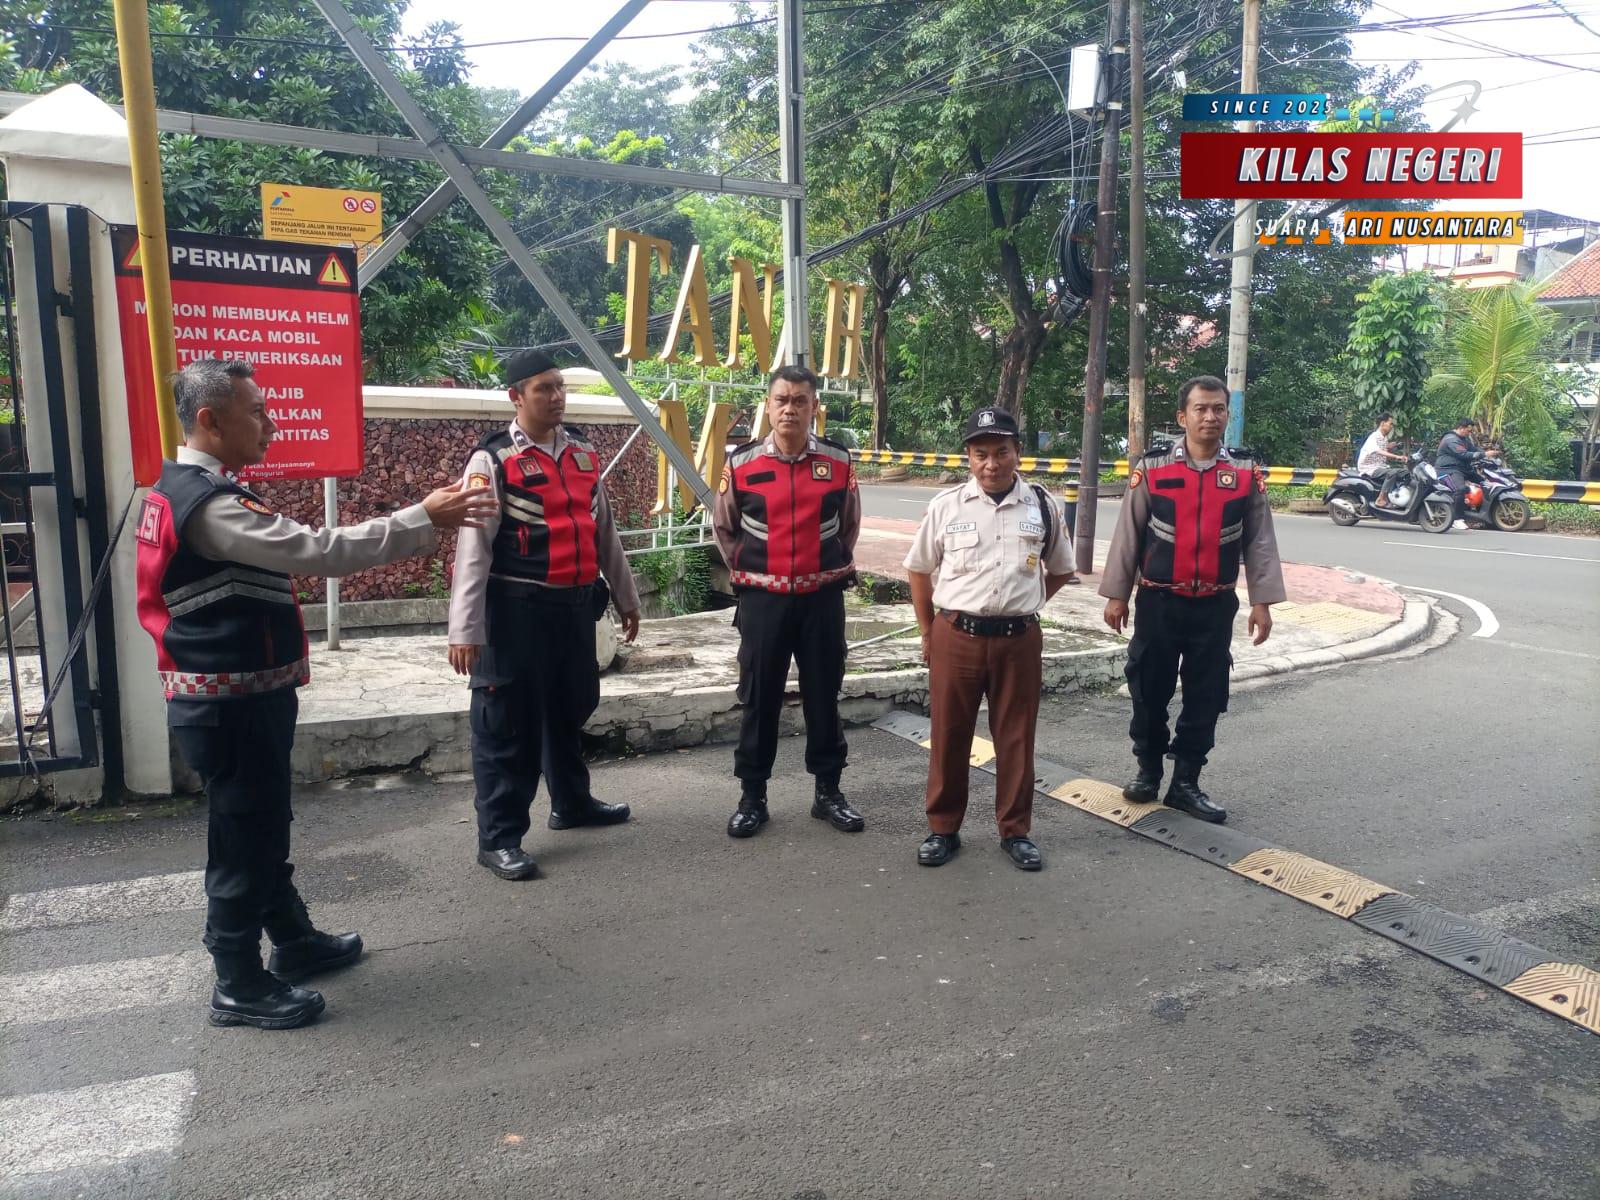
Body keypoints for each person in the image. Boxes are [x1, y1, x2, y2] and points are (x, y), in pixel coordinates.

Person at [136, 358, 496, 1030]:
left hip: (239, 698)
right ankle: (237, 980)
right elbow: (321, 550)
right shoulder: (208, 507)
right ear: (210, 420)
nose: (270, 425)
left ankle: (293, 940)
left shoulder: (192, 490)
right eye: (256, 412)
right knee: (242, 837)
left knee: (262, 824)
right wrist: (424, 516)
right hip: (227, 706)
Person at [447, 350, 642, 881]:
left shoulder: (582, 452)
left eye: (560, 387)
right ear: (516, 397)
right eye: (543, 389)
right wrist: (465, 629)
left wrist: (627, 598)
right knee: (507, 725)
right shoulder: (491, 460)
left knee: (569, 706)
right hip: (516, 613)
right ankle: (499, 838)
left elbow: (604, 532)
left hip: (574, 609)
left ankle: (571, 803)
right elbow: (473, 549)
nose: (556, 397)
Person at [1099, 375, 1286, 825]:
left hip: (1215, 606)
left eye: (1218, 408)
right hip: (1159, 602)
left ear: (1227, 415)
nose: (1210, 417)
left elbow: (1259, 540)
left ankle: (1185, 782)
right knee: (1148, 690)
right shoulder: (1154, 467)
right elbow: (1128, 533)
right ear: (1182, 417)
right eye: (1201, 408)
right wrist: (1117, 595)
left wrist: (1262, 602)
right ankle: (1148, 771)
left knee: (1206, 694)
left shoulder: (1244, 472)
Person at [903, 407, 1076, 871]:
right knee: (948, 733)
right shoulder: (947, 506)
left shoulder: (1041, 505)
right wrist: (928, 631)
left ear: (1017, 452)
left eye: (1001, 452)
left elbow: (1062, 568)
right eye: (981, 454)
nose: (991, 464)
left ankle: (1015, 831)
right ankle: (943, 828)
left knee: (1016, 737)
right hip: (956, 635)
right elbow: (918, 569)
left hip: (1019, 640)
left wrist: (1029, 600)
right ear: (969, 457)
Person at [712, 365, 864, 839]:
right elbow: (724, 528)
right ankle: (752, 797)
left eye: (800, 400)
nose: (790, 409)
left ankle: (828, 793)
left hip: (822, 599)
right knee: (759, 697)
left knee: (823, 693)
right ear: (768, 405)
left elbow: (849, 525)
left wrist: (823, 567)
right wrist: (756, 573)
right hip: (763, 601)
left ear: (814, 406)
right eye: (781, 400)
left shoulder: (838, 461)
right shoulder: (741, 463)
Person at [1435, 417, 1486, 530]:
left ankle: (1480, 517)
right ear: (1461, 428)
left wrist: (1486, 454)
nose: (1469, 433)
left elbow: (1474, 450)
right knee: (1460, 489)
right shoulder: (1451, 439)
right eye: (1468, 430)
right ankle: (1456, 519)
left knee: (1484, 483)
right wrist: (1482, 455)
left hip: (1461, 469)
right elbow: (1462, 454)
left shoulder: (1464, 439)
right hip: (1447, 470)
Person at [1357, 413, 1407, 505]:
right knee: (1392, 473)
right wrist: (1397, 456)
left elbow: (1385, 456)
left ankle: (1398, 496)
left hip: (1381, 467)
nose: (1392, 426)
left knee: (1405, 472)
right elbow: (1378, 451)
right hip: (1370, 468)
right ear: (1383, 423)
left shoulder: (1384, 438)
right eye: (1390, 424)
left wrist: (1397, 454)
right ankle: (1381, 499)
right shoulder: (1374, 437)